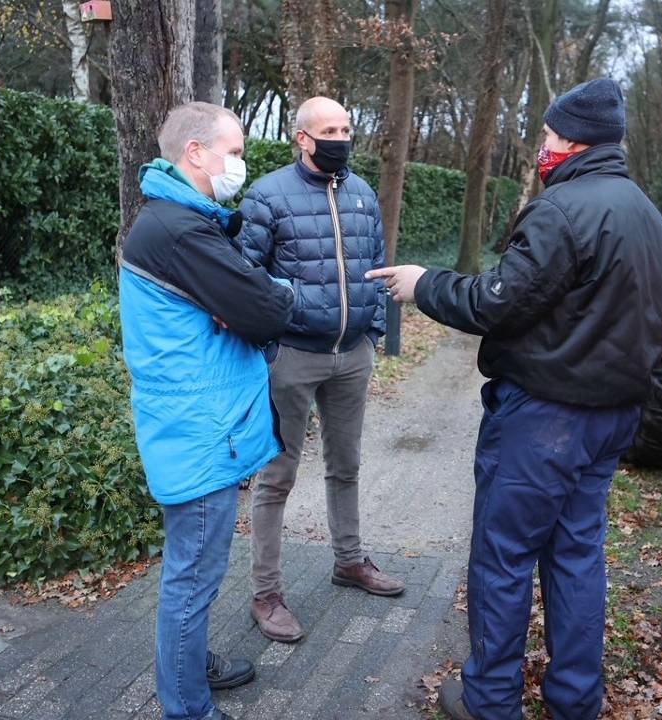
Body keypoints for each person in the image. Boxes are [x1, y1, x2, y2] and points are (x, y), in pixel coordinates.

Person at [367, 78, 662, 720]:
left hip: (545, 420)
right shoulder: (648, 215)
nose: (540, 145)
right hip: (612, 418)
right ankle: (573, 701)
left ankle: (490, 699)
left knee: (504, 556)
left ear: (570, 139)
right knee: (577, 556)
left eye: (545, 134)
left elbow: (497, 304)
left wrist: (424, 284)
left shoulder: (560, 210)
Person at [119, 101, 294, 720]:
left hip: (200, 426)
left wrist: (249, 302)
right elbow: (268, 312)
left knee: (196, 574)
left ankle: (189, 667)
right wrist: (273, 297)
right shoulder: (179, 231)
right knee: (191, 579)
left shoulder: (184, 221)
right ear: (195, 153)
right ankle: (187, 706)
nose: (241, 163)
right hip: (197, 434)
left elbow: (248, 305)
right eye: (236, 150)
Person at [238, 96, 404, 644]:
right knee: (277, 475)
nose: (341, 136)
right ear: (303, 139)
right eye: (328, 129)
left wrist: (374, 334)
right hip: (293, 355)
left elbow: (379, 267)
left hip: (352, 354)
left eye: (347, 126)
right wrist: (273, 337)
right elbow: (245, 277)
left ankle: (348, 561)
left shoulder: (360, 193)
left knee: (347, 465)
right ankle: (266, 592)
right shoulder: (267, 194)